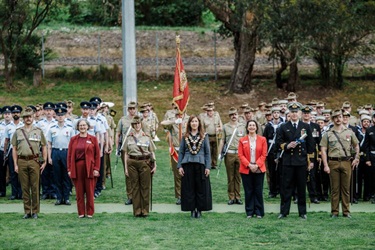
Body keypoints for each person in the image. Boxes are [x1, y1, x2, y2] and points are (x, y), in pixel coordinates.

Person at [276, 102, 315, 219]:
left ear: (299, 113)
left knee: (301, 187)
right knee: (286, 188)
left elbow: (310, 145)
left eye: (296, 112)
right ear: (289, 113)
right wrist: (287, 146)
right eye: (292, 112)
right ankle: (284, 212)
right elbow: (278, 142)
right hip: (288, 161)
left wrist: (311, 161)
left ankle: (302, 212)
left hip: (301, 161)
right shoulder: (283, 126)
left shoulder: (306, 126)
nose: (294, 114)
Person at [320, 109, 360, 218]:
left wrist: (356, 158)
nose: (338, 119)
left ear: (343, 118)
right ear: (333, 119)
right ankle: (335, 212)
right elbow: (323, 150)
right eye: (336, 117)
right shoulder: (328, 134)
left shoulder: (349, 132)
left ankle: (346, 212)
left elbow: (356, 146)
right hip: (333, 162)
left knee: (346, 189)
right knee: (334, 189)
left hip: (346, 162)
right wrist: (325, 165)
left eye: (340, 117)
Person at [11, 107, 47, 219]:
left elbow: (44, 146)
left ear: (33, 118)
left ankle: (35, 211)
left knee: (35, 187)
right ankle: (27, 211)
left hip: (34, 161)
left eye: (30, 117)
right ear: (23, 119)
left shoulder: (38, 131)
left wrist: (44, 161)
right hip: (22, 161)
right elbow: (14, 148)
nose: (28, 119)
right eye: (26, 117)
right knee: (24, 187)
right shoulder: (18, 132)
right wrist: (16, 164)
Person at [177, 115, 212, 218]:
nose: (194, 123)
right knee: (189, 188)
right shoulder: (185, 136)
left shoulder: (204, 136)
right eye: (192, 121)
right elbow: (181, 152)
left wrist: (208, 167)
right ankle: (192, 209)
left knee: (201, 188)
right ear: (189, 124)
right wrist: (180, 166)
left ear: (199, 123)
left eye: (196, 121)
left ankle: (200, 210)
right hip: (187, 164)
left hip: (200, 164)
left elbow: (207, 153)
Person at [121, 116, 156, 217]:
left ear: (141, 124)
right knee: (135, 187)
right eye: (135, 124)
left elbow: (152, 152)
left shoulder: (146, 137)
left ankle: (145, 210)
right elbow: (126, 154)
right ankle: (137, 210)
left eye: (139, 123)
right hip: (132, 162)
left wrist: (155, 165)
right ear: (132, 125)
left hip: (144, 162)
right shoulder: (128, 138)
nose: (137, 125)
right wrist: (126, 168)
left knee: (145, 187)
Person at [67, 119, 100, 218]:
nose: (82, 127)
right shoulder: (73, 139)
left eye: (84, 125)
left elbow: (97, 155)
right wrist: (69, 169)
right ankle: (81, 212)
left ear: (87, 126)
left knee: (90, 190)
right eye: (80, 125)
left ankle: (90, 212)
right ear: (78, 127)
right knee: (79, 190)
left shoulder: (93, 139)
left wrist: (96, 169)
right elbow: (69, 155)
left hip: (89, 167)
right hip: (77, 167)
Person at [238, 120, 267, 218]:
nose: (251, 127)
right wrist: (249, 165)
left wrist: (257, 165)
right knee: (248, 191)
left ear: (256, 127)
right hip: (246, 168)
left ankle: (259, 212)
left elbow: (264, 154)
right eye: (250, 125)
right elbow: (240, 155)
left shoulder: (262, 139)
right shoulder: (242, 140)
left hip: (259, 168)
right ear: (247, 128)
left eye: (253, 125)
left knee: (258, 190)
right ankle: (249, 212)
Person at [47, 107, 75, 205]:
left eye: (62, 115)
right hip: (55, 152)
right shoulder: (52, 128)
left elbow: (73, 144)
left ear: (65, 115)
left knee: (66, 176)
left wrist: (72, 157)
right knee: (57, 176)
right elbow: (49, 144)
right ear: (56, 116)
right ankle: (59, 197)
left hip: (66, 152)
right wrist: (49, 157)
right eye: (58, 115)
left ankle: (66, 197)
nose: (60, 117)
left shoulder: (70, 128)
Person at [218, 107, 246, 205]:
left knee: (238, 177)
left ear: (238, 115)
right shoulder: (225, 127)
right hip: (229, 154)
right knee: (230, 177)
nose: (234, 116)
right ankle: (231, 197)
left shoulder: (242, 126)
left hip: (240, 154)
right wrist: (219, 153)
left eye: (235, 114)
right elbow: (222, 140)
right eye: (232, 115)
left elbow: (245, 141)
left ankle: (238, 196)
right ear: (229, 116)